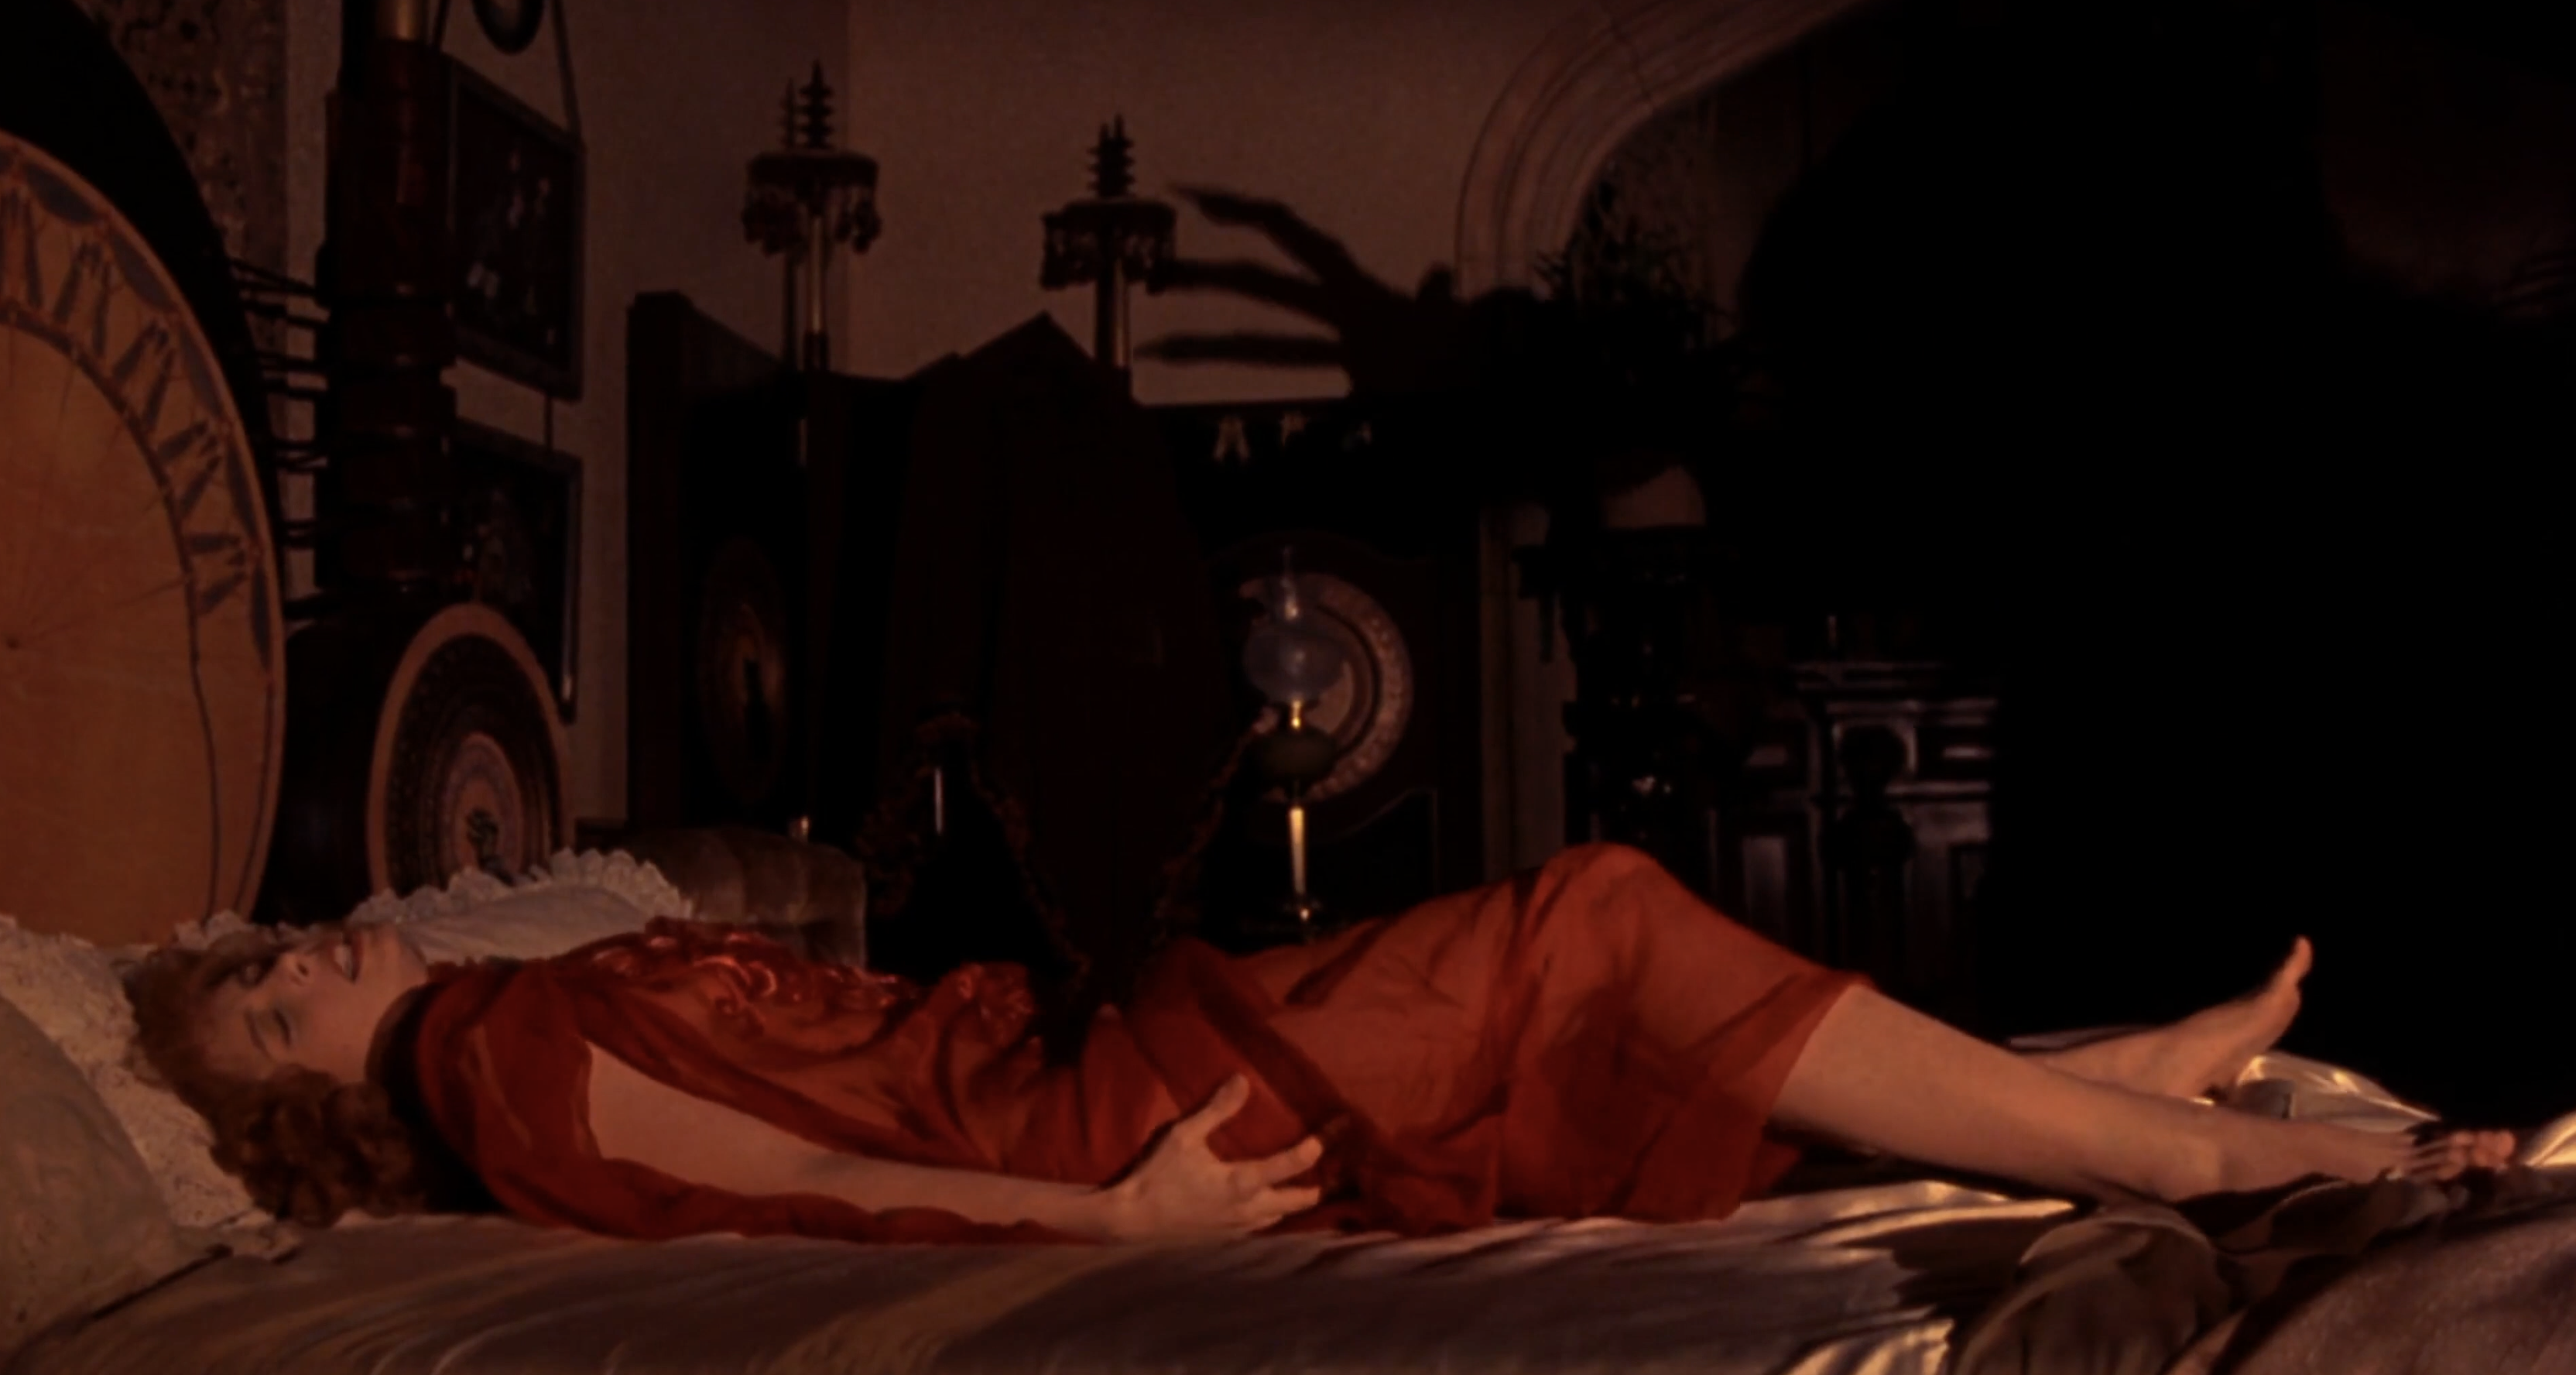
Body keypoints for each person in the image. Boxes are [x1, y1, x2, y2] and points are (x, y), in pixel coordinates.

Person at [127, 844, 2516, 1243]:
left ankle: (2100, 1080)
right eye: (269, 991)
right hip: (1094, 1117)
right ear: (308, 1087)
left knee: (1586, 1033)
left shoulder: (503, 995)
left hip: (1087, 1051)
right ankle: (2179, 1149)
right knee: (1593, 924)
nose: (301, 947)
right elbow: (797, 1185)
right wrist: (1114, 1220)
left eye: (270, 947)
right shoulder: (489, 1057)